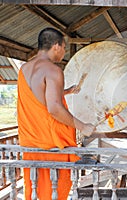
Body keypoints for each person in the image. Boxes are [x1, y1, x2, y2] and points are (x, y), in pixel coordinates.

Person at [17, 27, 95, 199]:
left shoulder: (24, 69)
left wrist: (66, 91)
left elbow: (40, 96)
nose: (64, 52)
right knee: (54, 191)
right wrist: (83, 126)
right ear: (57, 46)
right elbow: (53, 108)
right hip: (50, 145)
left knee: (35, 189)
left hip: (30, 143)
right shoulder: (53, 70)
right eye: (64, 47)